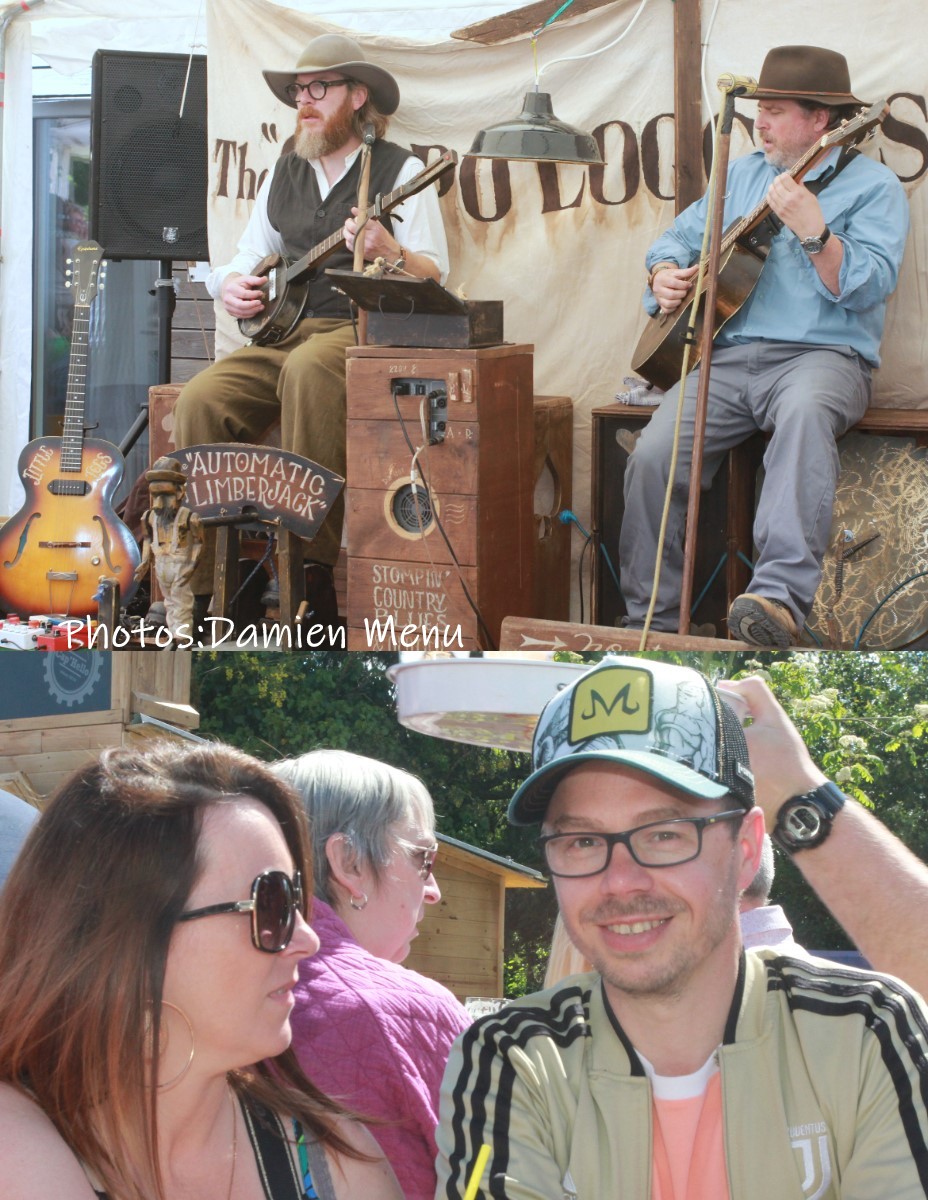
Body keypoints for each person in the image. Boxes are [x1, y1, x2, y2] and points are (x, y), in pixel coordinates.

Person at [436, 656, 928, 1199]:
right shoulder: (510, 1059)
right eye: (581, 842)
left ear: (744, 849)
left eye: (664, 834)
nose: (620, 882)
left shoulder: (865, 1030)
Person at [0, 740, 403, 1200]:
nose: (307, 940)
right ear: (131, 936)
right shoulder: (17, 1144)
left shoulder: (334, 1160)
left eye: (297, 899)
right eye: (269, 906)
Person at [620, 46, 909, 647]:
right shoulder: (744, 173)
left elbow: (869, 287)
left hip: (823, 359)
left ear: (822, 121)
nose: (762, 122)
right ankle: (650, 617)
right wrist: (663, 274)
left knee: (803, 419)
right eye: (760, 109)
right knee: (653, 455)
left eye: (776, 111)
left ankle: (775, 602)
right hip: (726, 358)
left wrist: (814, 229)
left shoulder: (875, 188)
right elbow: (672, 240)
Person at [173, 33, 449, 616]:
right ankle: (202, 584)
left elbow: (436, 275)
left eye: (319, 88)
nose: (305, 100)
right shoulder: (284, 171)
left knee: (309, 369)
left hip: (359, 331)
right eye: (299, 90)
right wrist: (229, 283)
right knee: (200, 397)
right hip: (282, 333)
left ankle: (309, 570)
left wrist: (386, 248)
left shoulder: (404, 170)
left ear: (357, 96)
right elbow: (250, 254)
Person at [272, 749, 470, 1200]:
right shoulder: (408, 1010)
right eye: (424, 858)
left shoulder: (197, 990)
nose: (434, 891)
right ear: (350, 864)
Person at [719, 673, 928, 996]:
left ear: (745, 855)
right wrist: (790, 793)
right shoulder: (849, 1005)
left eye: (665, 838)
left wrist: (792, 794)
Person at [134, 456, 205, 637]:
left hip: (180, 565)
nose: (158, 502)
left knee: (182, 604)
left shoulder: (189, 517)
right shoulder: (149, 517)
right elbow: (149, 540)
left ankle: (183, 638)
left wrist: (190, 567)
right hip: (161, 563)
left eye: (164, 495)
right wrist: (145, 561)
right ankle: (174, 636)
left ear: (180, 492)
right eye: (155, 495)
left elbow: (199, 542)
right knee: (169, 603)